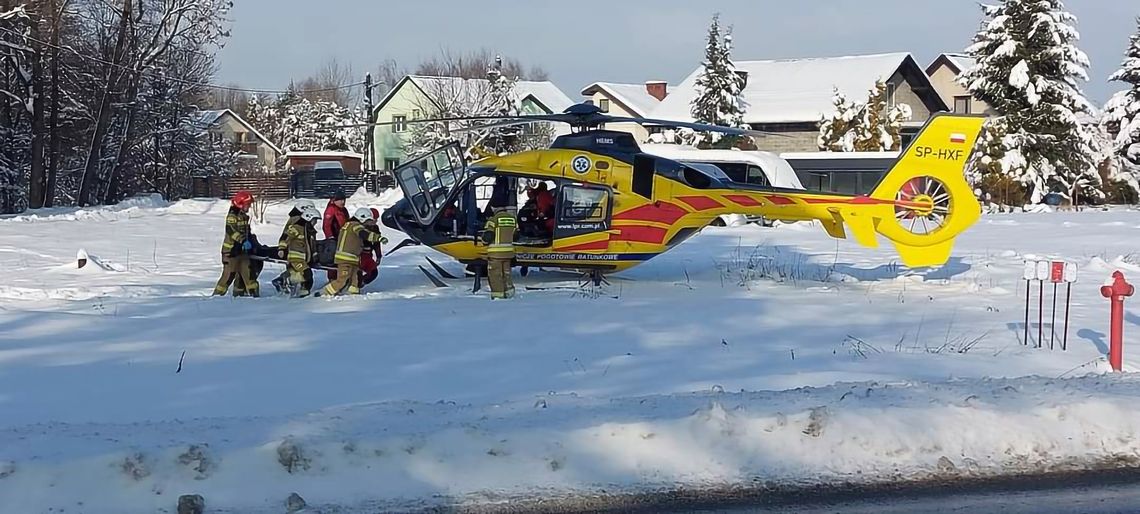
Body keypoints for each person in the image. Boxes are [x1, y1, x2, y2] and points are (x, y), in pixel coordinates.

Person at [318, 208, 385, 297]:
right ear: (362, 218)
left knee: (355, 279)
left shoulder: (348, 225)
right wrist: (378, 238)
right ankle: (324, 293)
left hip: (353, 258)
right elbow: (364, 234)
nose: (368, 223)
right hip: (346, 258)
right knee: (342, 279)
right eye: (368, 221)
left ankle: (353, 294)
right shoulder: (355, 225)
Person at [213, 190, 259, 297]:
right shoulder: (232, 216)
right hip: (231, 253)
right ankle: (216, 298)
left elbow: (246, 231)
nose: (249, 207)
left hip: (242, 252)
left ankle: (250, 298)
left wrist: (252, 242)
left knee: (248, 275)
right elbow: (231, 230)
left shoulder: (243, 215)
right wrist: (243, 241)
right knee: (227, 277)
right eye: (248, 204)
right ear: (241, 203)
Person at [272, 203, 321, 297]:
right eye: (314, 220)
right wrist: (281, 249)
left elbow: (312, 246)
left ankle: (303, 292)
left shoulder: (310, 232)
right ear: (308, 218)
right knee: (307, 274)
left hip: (304, 258)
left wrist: (315, 257)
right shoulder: (297, 228)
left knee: (303, 276)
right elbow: (285, 237)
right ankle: (283, 281)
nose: (315, 223)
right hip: (296, 257)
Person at [481, 205, 516, 299]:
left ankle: (498, 295)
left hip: (495, 253)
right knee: (506, 274)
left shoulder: (493, 220)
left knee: (495, 275)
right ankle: (509, 293)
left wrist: (483, 241)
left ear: (494, 208)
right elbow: (516, 235)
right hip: (508, 252)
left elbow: (488, 236)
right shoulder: (513, 219)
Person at [322, 188, 350, 282]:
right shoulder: (331, 209)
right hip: (334, 238)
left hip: (343, 237)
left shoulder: (343, 210)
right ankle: (332, 278)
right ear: (335, 200)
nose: (343, 202)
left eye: (344, 200)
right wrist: (330, 237)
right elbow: (326, 225)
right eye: (340, 200)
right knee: (333, 258)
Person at [358, 207, 385, 287]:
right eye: (374, 219)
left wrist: (378, 256)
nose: (376, 221)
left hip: (368, 255)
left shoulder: (375, 228)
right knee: (357, 272)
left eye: (376, 219)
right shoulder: (360, 228)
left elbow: (377, 243)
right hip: (359, 254)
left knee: (373, 272)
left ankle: (361, 283)